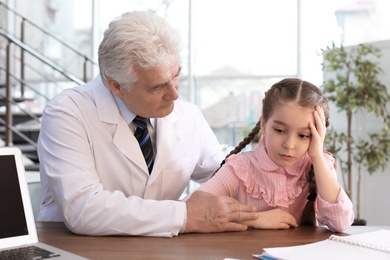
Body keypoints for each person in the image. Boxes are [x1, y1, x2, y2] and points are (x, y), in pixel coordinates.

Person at [37, 11, 258, 237]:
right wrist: (184, 215)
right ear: (116, 86)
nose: (174, 94)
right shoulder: (67, 113)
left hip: (159, 249)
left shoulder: (189, 116)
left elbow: (227, 177)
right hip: (76, 249)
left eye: (175, 76)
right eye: (157, 87)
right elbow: (83, 209)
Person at [185, 78, 354, 232]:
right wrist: (254, 219)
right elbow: (188, 211)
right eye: (279, 130)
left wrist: (317, 155)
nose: (289, 145)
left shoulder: (319, 165)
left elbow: (341, 222)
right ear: (264, 124)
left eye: (303, 135)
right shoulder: (239, 169)